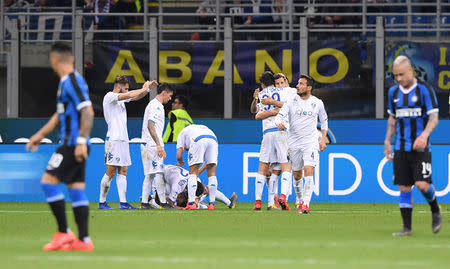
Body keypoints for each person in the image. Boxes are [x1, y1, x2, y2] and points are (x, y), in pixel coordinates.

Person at [26, 42, 95, 251]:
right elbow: (59, 116)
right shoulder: (67, 83)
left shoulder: (72, 81)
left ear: (53, 60)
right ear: (72, 58)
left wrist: (81, 142)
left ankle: (64, 233)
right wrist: (40, 135)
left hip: (72, 144)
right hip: (76, 144)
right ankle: (84, 241)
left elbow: (88, 111)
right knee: (76, 190)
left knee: (48, 183)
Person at [384, 55, 442, 236]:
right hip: (401, 147)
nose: (399, 79)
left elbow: (434, 117)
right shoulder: (393, 93)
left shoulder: (425, 90)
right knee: (404, 187)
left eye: (402, 74)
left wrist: (424, 136)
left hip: (421, 148)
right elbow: (392, 118)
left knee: (422, 185)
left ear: (411, 71)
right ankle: (407, 228)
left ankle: (435, 209)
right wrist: (387, 141)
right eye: (396, 76)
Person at [270, 74, 328, 214]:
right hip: (294, 143)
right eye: (298, 83)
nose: (298, 85)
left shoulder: (317, 102)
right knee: (297, 175)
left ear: (309, 87)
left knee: (309, 171)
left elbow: (324, 121)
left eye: (301, 84)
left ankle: (306, 204)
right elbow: (279, 116)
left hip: (310, 143)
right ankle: (301, 200)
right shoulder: (290, 101)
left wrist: (323, 138)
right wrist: (279, 123)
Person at [98, 75, 157, 210]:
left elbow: (135, 97)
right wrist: (144, 87)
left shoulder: (121, 100)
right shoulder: (110, 96)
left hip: (123, 140)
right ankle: (102, 202)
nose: (127, 90)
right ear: (119, 86)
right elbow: (130, 94)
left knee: (123, 170)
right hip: (114, 139)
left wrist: (146, 90)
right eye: (125, 88)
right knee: (111, 171)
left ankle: (123, 203)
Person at [253, 71, 294, 211]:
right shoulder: (283, 92)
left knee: (263, 167)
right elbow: (287, 106)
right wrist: (275, 110)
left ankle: (258, 202)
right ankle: (282, 196)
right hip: (281, 131)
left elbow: (257, 116)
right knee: (286, 165)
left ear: (262, 83)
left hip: (267, 133)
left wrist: (269, 109)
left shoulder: (262, 94)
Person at [140, 83, 175, 210]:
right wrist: (159, 145)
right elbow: (150, 125)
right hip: (152, 145)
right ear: (164, 93)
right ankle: (163, 203)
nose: (170, 99)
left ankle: (144, 203)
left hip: (147, 144)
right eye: (170, 96)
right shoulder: (156, 106)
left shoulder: (153, 104)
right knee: (159, 173)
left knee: (149, 174)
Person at [176, 124, 219, 210]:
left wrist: (180, 161)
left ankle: (191, 203)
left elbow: (178, 156)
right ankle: (211, 204)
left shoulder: (181, 134)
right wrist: (199, 171)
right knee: (212, 173)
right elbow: (207, 163)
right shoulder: (197, 128)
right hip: (213, 138)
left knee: (192, 173)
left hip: (198, 139)